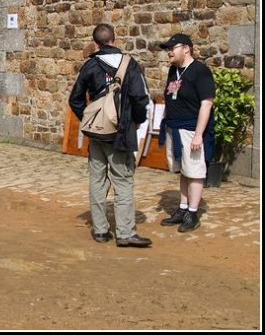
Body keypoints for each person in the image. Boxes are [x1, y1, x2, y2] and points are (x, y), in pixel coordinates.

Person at [69, 23, 152, 248]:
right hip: (121, 133)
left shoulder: (90, 66)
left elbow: (75, 99)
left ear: (95, 43)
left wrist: (89, 120)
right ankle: (124, 233)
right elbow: (140, 98)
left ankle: (100, 230)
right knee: (123, 181)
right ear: (115, 40)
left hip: (97, 134)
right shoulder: (130, 64)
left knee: (97, 180)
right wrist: (136, 122)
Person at [157, 33, 215, 233]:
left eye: (172, 48)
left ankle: (193, 212)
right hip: (175, 128)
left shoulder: (200, 71)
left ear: (186, 49)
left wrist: (199, 134)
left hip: (191, 129)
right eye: (167, 49)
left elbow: (206, 104)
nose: (169, 52)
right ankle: (182, 208)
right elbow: (170, 97)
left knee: (195, 172)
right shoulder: (173, 70)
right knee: (184, 170)